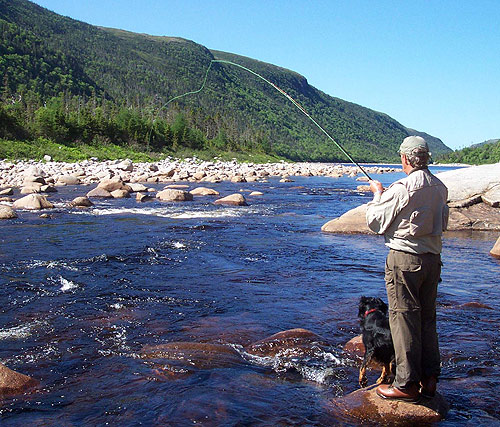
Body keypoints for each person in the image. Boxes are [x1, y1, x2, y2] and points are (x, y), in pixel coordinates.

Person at [365, 135, 449, 402]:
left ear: (404, 158)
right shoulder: (440, 187)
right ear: (426, 158)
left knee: (403, 320)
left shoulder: (402, 188)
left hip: (405, 261)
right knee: (427, 319)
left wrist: (378, 194)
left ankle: (406, 384)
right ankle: (429, 378)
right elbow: (443, 223)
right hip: (433, 261)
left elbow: (376, 222)